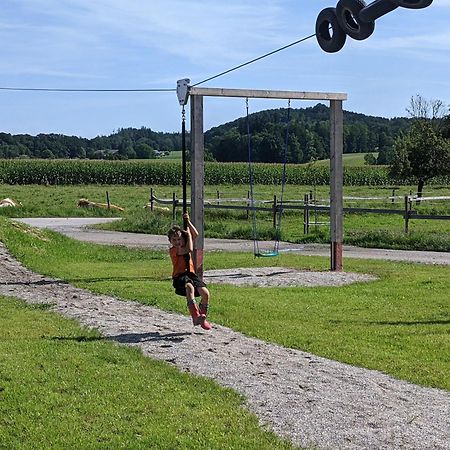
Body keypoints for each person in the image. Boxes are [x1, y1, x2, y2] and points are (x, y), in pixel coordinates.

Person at [168, 213, 211, 330]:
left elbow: (195, 234)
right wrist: (187, 236)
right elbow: (189, 249)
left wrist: (188, 222)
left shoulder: (186, 241)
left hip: (191, 274)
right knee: (189, 287)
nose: (177, 242)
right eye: (174, 240)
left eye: (179, 239)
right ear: (170, 241)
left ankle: (203, 319)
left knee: (205, 293)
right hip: (180, 276)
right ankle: (195, 315)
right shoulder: (173, 250)